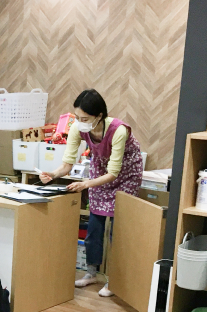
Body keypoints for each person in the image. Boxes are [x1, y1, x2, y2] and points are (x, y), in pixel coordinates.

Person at [38, 89, 143, 297]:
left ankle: (116, 280)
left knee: (118, 232)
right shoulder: (77, 128)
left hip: (126, 174)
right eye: (77, 117)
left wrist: (86, 184)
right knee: (94, 228)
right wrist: (53, 174)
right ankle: (92, 273)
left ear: (99, 116)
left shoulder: (119, 130)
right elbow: (67, 164)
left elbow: (114, 173)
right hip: (100, 172)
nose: (79, 122)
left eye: (84, 119)